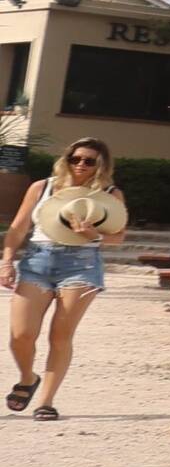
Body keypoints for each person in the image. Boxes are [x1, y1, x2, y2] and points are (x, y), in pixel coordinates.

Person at [7, 138, 130, 419]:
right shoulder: (42, 187)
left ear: (101, 165)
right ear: (66, 159)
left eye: (89, 161)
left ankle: (46, 402)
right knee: (21, 335)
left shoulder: (110, 194)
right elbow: (18, 228)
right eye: (75, 158)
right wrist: (6, 262)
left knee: (60, 336)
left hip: (81, 265)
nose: (81, 165)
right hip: (37, 261)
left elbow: (119, 236)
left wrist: (94, 235)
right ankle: (28, 378)